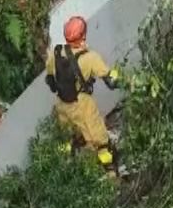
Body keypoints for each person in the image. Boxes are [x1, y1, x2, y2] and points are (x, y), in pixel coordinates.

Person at [46, 15, 121, 172]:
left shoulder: (56, 54)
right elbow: (112, 81)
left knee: (67, 140)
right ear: (83, 36)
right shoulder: (90, 58)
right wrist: (119, 75)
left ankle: (68, 171)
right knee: (100, 141)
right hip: (82, 106)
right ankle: (110, 173)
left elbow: (51, 82)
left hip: (62, 106)